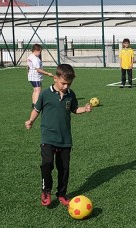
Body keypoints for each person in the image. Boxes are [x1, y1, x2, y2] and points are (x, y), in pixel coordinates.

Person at [25, 64, 92, 207]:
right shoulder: (45, 94)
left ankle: (61, 194)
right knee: (47, 164)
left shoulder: (70, 94)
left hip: (65, 139)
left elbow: (74, 109)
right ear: (55, 78)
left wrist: (84, 109)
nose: (66, 86)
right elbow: (37, 109)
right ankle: (46, 191)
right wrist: (30, 121)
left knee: (64, 168)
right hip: (48, 137)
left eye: (69, 83)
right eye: (63, 83)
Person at [27, 44, 54, 108]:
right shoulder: (35, 59)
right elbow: (38, 70)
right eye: (40, 51)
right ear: (36, 50)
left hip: (31, 76)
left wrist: (28, 72)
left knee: (35, 90)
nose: (40, 53)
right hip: (35, 76)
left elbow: (28, 66)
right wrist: (47, 73)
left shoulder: (30, 56)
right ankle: (36, 105)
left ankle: (34, 103)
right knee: (38, 90)